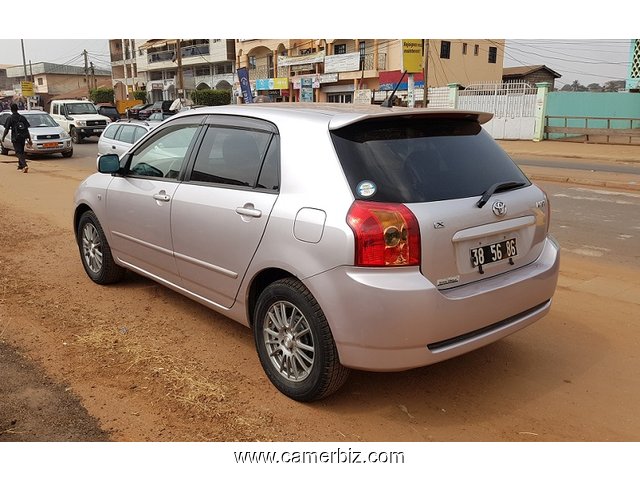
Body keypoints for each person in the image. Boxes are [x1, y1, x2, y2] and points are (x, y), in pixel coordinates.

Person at [1, 103, 32, 173]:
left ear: (11, 109)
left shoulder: (10, 118)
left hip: (15, 137)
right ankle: (20, 165)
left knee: (18, 152)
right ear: (17, 109)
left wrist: (3, 137)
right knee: (21, 151)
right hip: (23, 137)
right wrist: (29, 138)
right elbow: (26, 129)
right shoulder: (22, 117)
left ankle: (24, 165)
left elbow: (6, 129)